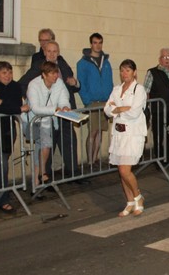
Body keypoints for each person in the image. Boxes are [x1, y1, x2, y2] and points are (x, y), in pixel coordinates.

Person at [22, 41, 80, 178]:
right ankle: (43, 176)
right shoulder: (37, 70)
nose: (52, 54)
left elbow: (64, 93)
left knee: (68, 142)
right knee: (46, 146)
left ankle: (73, 174)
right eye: (49, 51)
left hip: (61, 114)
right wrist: (27, 102)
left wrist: (65, 106)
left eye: (55, 51)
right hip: (42, 118)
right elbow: (24, 87)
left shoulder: (63, 66)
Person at [0, 61, 28, 214]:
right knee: (1, 162)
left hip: (8, 131)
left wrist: (1, 102)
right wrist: (13, 107)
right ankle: (2, 199)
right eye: (4, 73)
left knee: (1, 163)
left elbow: (17, 107)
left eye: (10, 72)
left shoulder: (15, 87)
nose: (7, 76)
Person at [105, 59, 148, 217]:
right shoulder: (117, 89)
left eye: (128, 70)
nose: (124, 73)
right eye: (122, 70)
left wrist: (117, 110)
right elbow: (107, 109)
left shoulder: (139, 89)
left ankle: (138, 197)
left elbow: (134, 112)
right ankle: (130, 202)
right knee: (121, 171)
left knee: (125, 170)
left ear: (134, 72)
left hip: (133, 134)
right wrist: (120, 109)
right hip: (119, 134)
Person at [26, 61, 71, 185]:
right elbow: (35, 108)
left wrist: (65, 106)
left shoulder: (59, 83)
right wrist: (54, 110)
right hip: (34, 120)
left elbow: (64, 98)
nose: (55, 76)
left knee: (41, 147)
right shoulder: (34, 85)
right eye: (52, 73)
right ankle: (42, 172)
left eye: (56, 73)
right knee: (45, 144)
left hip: (47, 120)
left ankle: (36, 180)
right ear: (44, 75)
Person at [77, 32, 113, 166]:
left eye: (100, 43)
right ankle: (90, 161)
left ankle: (95, 158)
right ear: (91, 44)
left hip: (105, 102)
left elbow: (110, 81)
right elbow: (81, 84)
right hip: (92, 102)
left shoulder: (106, 62)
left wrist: (111, 98)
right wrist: (87, 101)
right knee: (92, 131)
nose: (98, 45)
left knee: (100, 132)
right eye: (95, 43)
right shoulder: (83, 63)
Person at [144, 48, 169, 165]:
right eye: (164, 57)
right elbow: (146, 91)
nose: (166, 59)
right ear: (159, 59)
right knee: (158, 135)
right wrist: (147, 107)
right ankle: (159, 160)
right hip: (158, 110)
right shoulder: (152, 72)